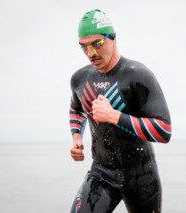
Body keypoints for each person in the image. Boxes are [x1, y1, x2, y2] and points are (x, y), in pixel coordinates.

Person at [69, 9, 172, 213]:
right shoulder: (79, 79)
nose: (91, 53)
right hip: (101, 172)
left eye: (97, 44)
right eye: (84, 47)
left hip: (141, 177)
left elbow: (164, 130)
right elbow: (76, 108)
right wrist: (76, 137)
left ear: (113, 38)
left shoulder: (137, 75)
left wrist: (113, 116)